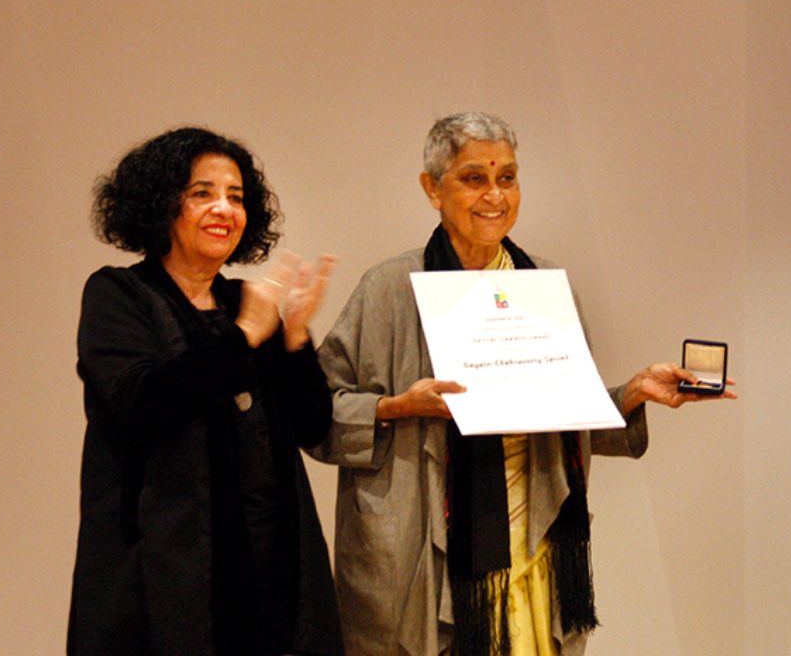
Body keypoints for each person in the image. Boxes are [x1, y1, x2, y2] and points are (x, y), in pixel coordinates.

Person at [310, 112, 736, 656]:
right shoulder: (390, 290)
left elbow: (561, 414)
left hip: (532, 540)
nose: (495, 195)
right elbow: (316, 412)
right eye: (474, 178)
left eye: (507, 177)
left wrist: (630, 394)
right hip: (429, 548)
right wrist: (396, 406)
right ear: (431, 189)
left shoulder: (542, 288)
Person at [68, 127, 344, 655]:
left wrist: (294, 337)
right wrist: (242, 337)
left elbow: (313, 426)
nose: (224, 209)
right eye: (203, 193)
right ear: (161, 203)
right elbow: (144, 403)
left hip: (268, 574)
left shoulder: (247, 301)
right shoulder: (117, 294)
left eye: (237, 198)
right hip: (164, 578)